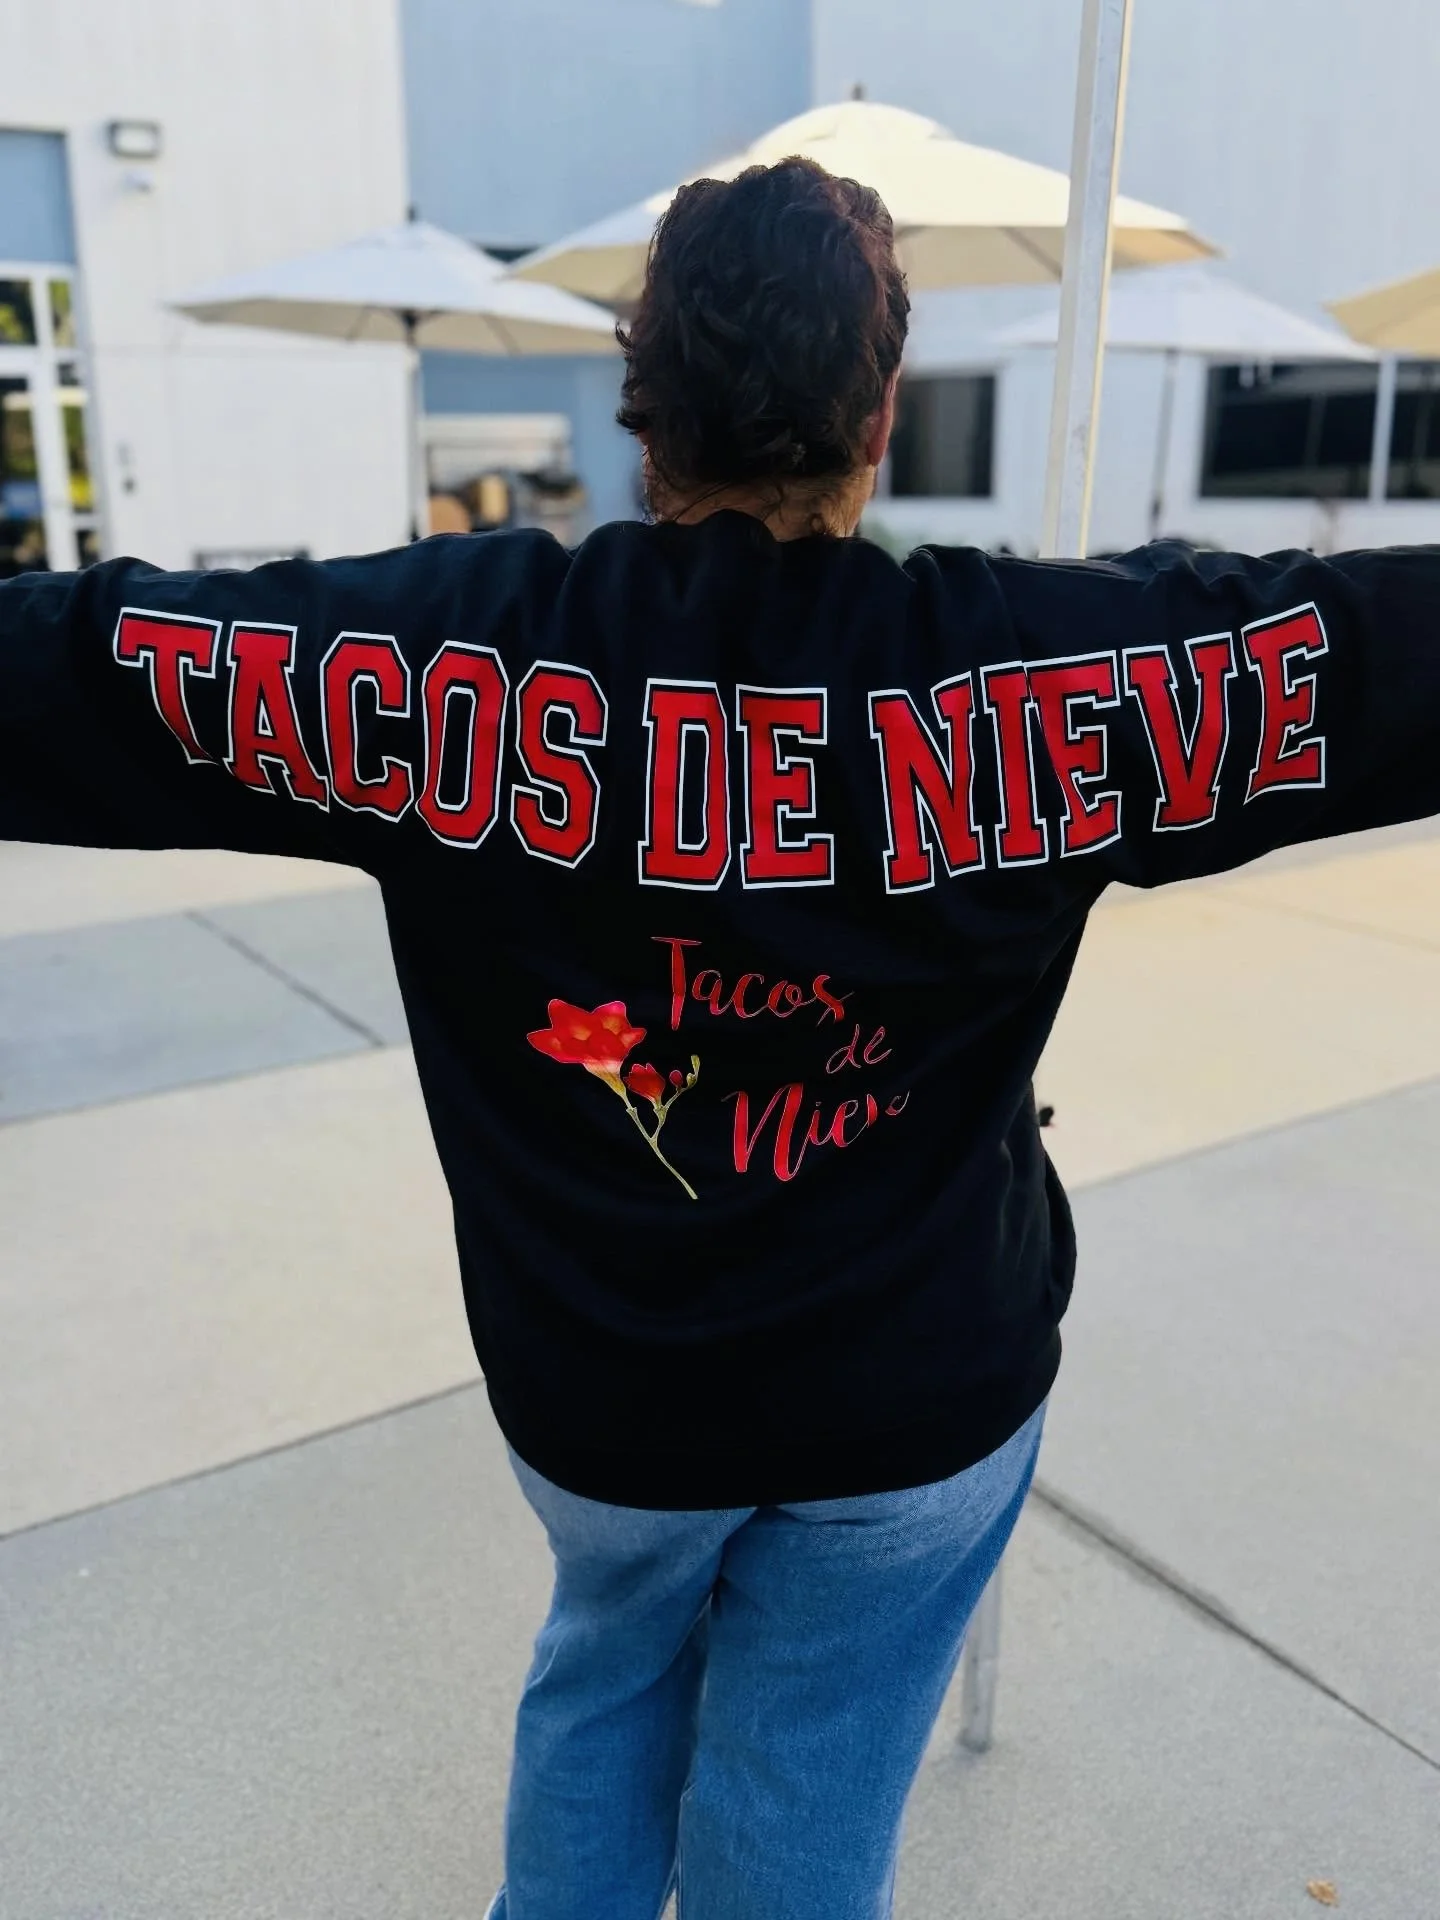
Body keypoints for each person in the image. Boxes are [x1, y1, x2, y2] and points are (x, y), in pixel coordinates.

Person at [2, 157, 1438, 1920]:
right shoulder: (1045, 669)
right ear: (881, 415)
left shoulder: (446, 657)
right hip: (912, 1404)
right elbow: (1370, 651)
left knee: (605, 1675)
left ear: (642, 406)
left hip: (603, 1402)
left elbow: (81, 661)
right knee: (806, 1788)